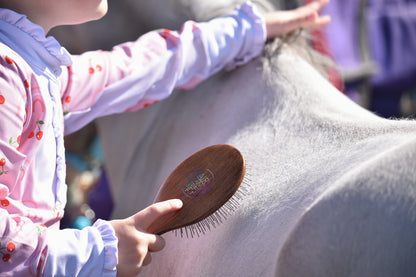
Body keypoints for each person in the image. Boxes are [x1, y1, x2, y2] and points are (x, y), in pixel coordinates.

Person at [0, 0, 330, 276]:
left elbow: (140, 65)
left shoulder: (36, 65)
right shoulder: (7, 72)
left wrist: (245, 30)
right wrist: (97, 250)